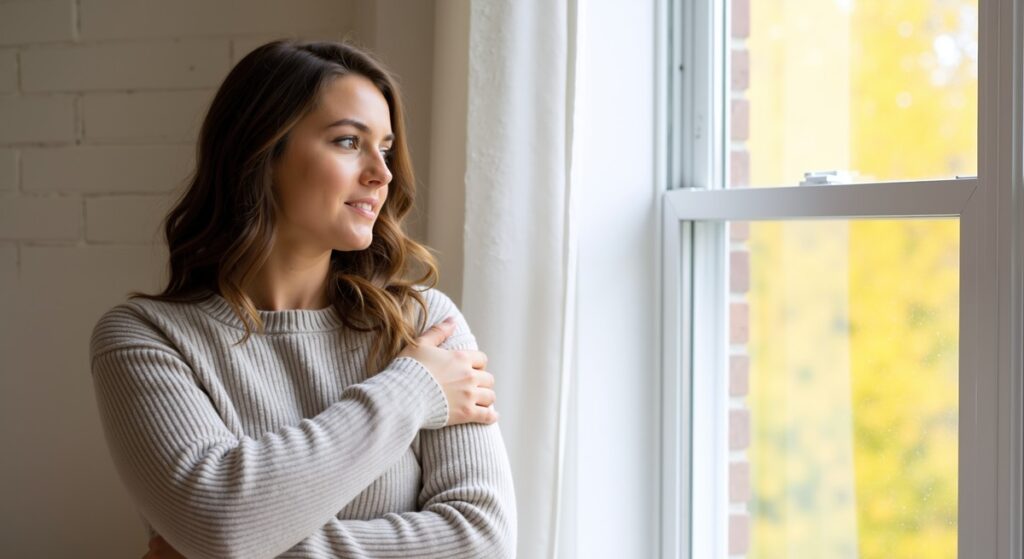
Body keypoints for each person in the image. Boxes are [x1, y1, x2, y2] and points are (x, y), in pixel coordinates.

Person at [89, 40, 516, 559]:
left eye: (384, 148)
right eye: (348, 141)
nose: (382, 174)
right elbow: (221, 526)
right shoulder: (146, 337)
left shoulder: (423, 323)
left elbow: (482, 541)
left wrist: (243, 549)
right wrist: (411, 390)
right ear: (261, 153)